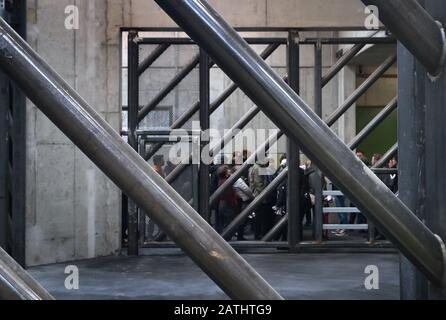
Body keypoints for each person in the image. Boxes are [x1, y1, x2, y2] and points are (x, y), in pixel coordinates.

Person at [249, 158, 275, 239]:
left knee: (260, 216)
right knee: (261, 216)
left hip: (258, 195)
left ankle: (259, 234)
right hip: (260, 196)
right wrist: (265, 195)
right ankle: (260, 235)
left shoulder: (256, 167)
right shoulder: (257, 168)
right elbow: (259, 184)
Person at [230, 167, 254, 240]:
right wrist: (253, 197)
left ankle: (239, 234)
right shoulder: (238, 180)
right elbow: (246, 190)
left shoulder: (232, 179)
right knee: (243, 219)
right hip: (244, 200)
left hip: (239, 200)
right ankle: (240, 235)